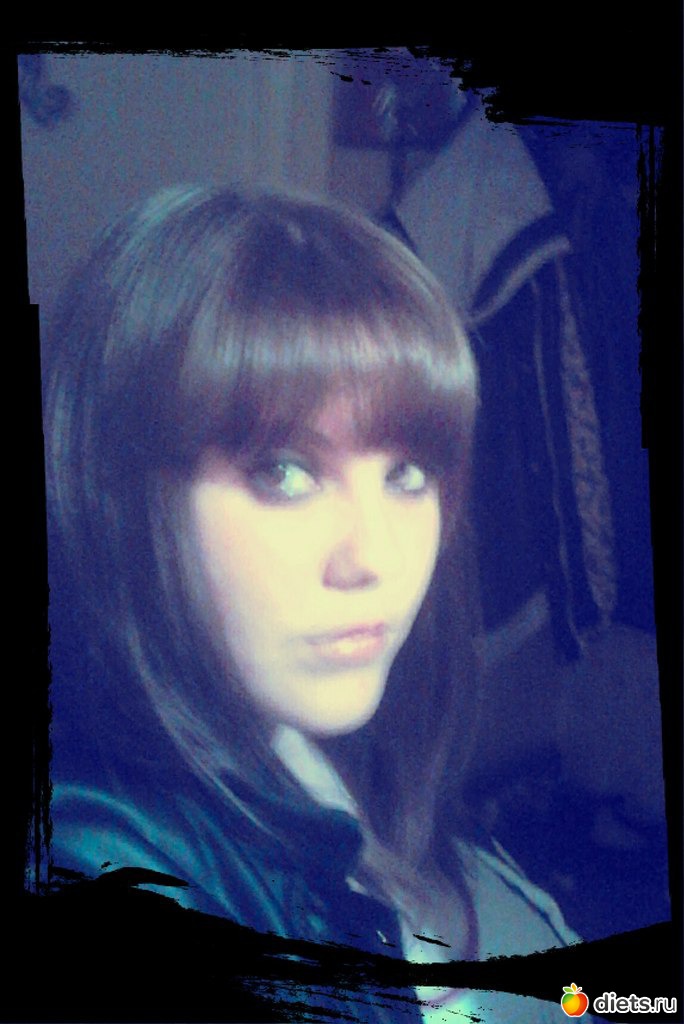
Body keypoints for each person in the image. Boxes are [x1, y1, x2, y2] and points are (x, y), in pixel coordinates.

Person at [43, 185, 584, 1023]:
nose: (376, 559)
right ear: (121, 494)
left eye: (407, 472)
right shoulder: (96, 853)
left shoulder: (309, 734)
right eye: (285, 473)